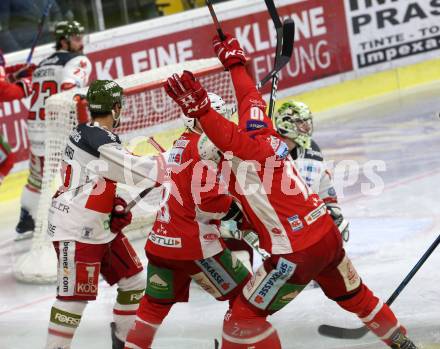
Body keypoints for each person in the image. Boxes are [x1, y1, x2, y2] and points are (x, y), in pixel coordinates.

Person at [163, 34, 419, 349]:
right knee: (357, 297)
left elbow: (220, 135)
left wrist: (202, 111)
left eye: (211, 157)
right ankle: (403, 343)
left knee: (241, 317)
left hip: (295, 254)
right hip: (326, 235)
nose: (210, 164)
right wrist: (235, 64)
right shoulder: (263, 132)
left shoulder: (238, 153)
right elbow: (249, 100)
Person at [123, 93, 252, 349]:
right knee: (246, 297)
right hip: (193, 247)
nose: (222, 122)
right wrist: (240, 216)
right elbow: (209, 201)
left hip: (161, 242)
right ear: (197, 120)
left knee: (154, 307)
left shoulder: (181, 142)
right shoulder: (201, 149)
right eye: (214, 117)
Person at [45, 79, 162, 349]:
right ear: (116, 107)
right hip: (75, 229)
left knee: (133, 280)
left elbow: (96, 177)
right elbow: (133, 171)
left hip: (97, 226)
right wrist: (164, 166)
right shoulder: (101, 138)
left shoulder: (87, 131)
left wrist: (114, 202)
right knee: (73, 298)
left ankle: (122, 342)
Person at [15, 20, 92, 240]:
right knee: (77, 170)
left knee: (37, 177)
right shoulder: (78, 60)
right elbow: (69, 89)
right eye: (76, 38)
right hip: (59, 127)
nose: (81, 42)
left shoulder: (42, 64)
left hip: (36, 129)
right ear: (63, 40)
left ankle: (26, 219)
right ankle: (74, 216)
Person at [275, 100, 349, 241]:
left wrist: (333, 209)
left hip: (307, 222)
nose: (307, 126)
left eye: (307, 122)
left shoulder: (311, 148)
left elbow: (323, 181)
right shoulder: (268, 149)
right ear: (286, 124)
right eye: (301, 122)